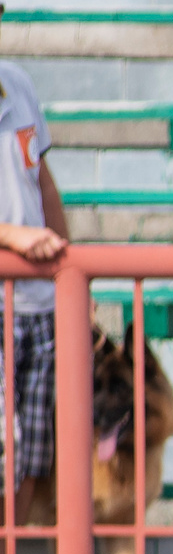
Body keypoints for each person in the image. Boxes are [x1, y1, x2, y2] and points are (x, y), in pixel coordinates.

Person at [0, 51, 69, 507]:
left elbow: (41, 180)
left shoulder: (17, 83)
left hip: (39, 300)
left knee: (36, 456)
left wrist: (72, 280)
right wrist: (11, 236)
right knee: (8, 446)